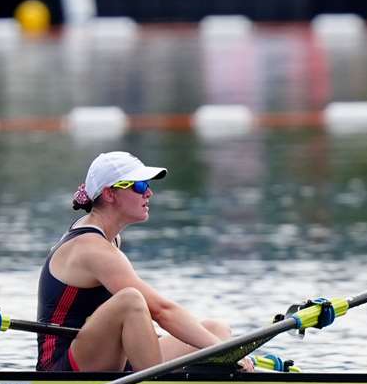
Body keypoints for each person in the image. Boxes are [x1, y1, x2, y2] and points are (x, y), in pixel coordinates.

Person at [37, 151, 245, 372]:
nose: (149, 192)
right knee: (131, 301)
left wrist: (220, 345)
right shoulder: (91, 248)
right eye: (139, 186)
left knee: (216, 329)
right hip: (62, 366)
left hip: (108, 355)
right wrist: (223, 350)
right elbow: (161, 310)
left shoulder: (110, 238)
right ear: (109, 194)